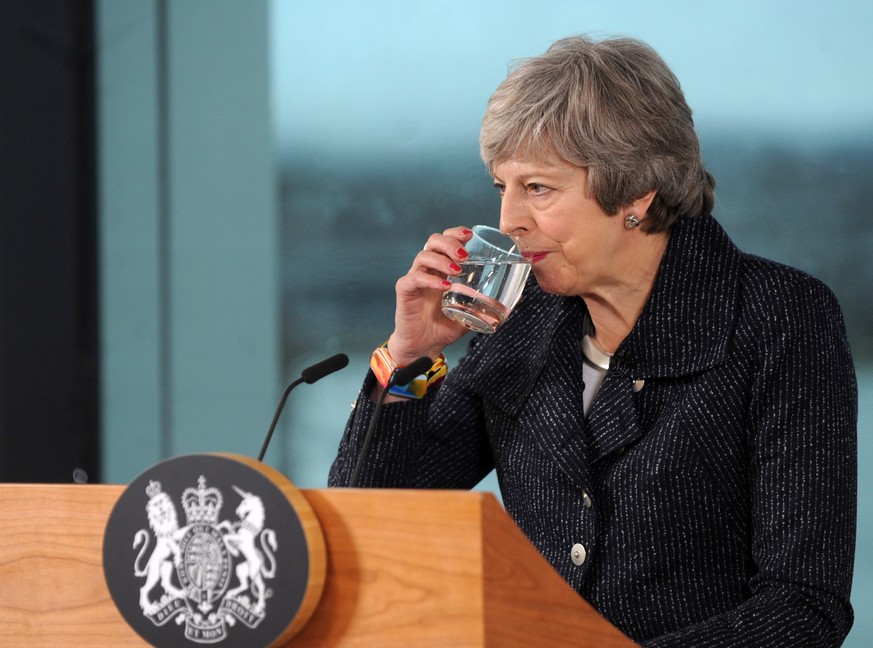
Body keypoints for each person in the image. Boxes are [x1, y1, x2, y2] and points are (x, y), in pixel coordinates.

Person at [328, 35, 857, 647]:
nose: (508, 223)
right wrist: (413, 356)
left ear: (635, 193)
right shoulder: (522, 315)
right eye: (503, 187)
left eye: (538, 189)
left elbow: (804, 607)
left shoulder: (780, 318)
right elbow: (374, 521)